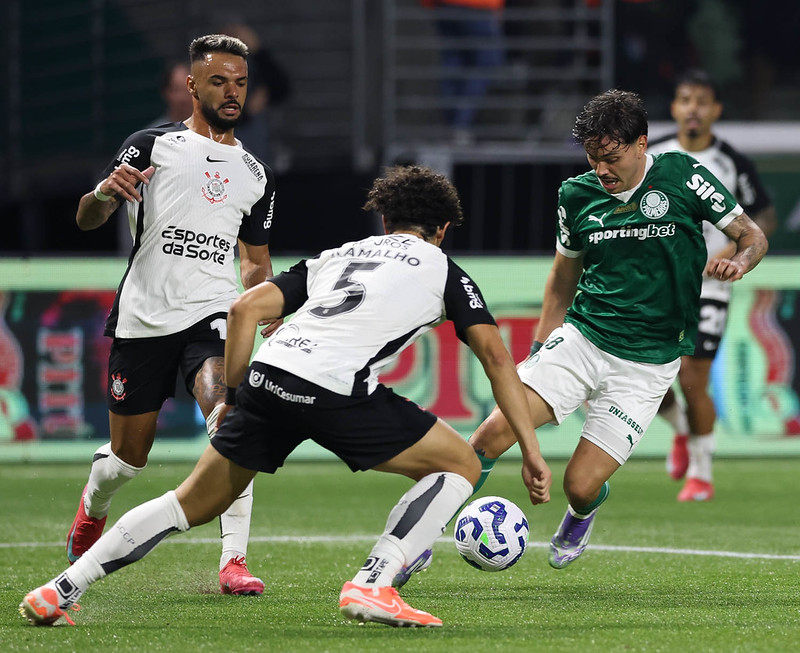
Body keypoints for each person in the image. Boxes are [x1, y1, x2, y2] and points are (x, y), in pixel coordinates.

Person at [19, 165, 551, 628]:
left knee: (188, 503)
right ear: (444, 229)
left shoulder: (339, 255)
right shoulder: (445, 271)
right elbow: (498, 360)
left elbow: (243, 310)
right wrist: (529, 450)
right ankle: (375, 580)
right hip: (334, 386)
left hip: (269, 375)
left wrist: (230, 396)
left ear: (385, 223)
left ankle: (60, 589)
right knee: (457, 464)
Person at [466, 89, 767, 570]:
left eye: (610, 157)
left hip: (647, 364)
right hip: (583, 339)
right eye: (592, 157)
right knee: (487, 438)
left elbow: (753, 235)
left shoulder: (685, 176)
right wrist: (540, 352)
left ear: (642, 143)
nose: (601, 169)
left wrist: (740, 261)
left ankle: (583, 513)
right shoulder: (575, 195)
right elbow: (563, 279)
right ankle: (418, 540)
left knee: (579, 486)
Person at [63, 34, 278, 597]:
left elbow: (254, 264)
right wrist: (105, 193)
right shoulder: (149, 145)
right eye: (218, 81)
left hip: (211, 316)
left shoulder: (255, 173)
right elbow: (87, 218)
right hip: (142, 319)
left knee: (231, 420)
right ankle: (94, 504)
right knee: (128, 460)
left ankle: (234, 561)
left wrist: (268, 309)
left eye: (240, 82)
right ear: (191, 85)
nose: (232, 92)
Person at [648, 69, 777, 502]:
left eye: (702, 102)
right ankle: (683, 431)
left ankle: (701, 474)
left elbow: (764, 217)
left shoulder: (733, 163)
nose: (693, 110)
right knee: (649, 372)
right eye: (686, 100)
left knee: (693, 378)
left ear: (716, 111)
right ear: (674, 108)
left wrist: (731, 255)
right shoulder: (655, 155)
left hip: (709, 286)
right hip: (657, 284)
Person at [421, 0, 506, 142]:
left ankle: (451, 127)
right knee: (486, 62)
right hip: (478, 5)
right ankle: (459, 125)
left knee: (453, 62)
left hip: (444, 4)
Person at [219, 23, 291, 168]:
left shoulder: (252, 69)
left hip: (256, 155)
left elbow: (281, 89)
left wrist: (258, 52)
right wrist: (246, 112)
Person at [146, 61, 194, 128]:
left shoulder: (210, 129)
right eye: (177, 90)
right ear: (166, 92)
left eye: (187, 90)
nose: (183, 97)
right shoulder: (154, 134)